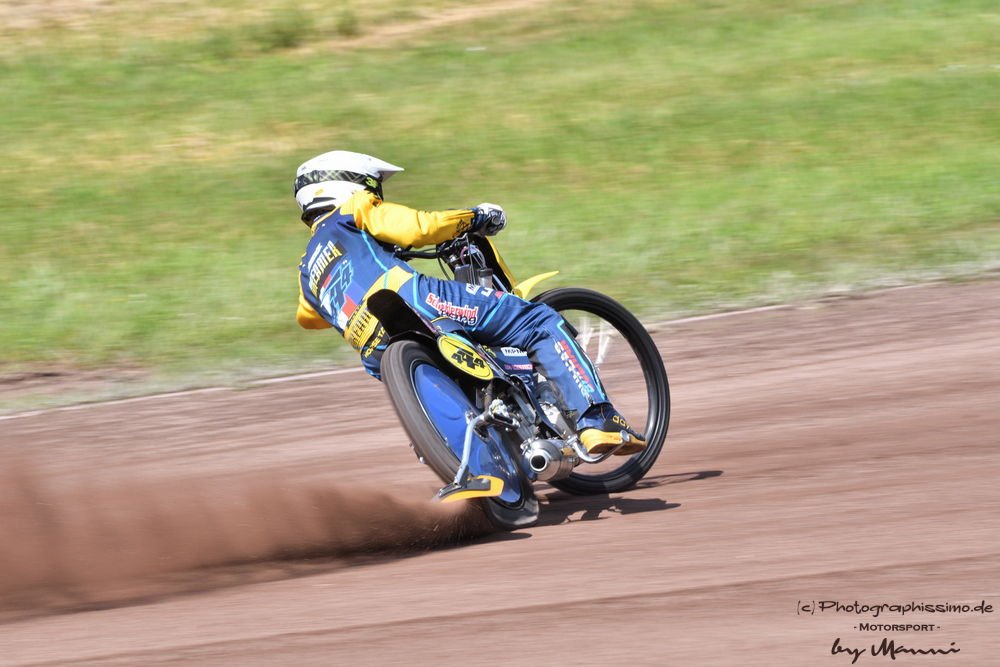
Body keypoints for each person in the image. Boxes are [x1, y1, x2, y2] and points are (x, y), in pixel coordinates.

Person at [293, 150, 645, 455]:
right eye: (374, 187)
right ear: (351, 185)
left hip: (374, 349)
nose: (378, 195)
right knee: (538, 323)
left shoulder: (307, 266)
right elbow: (420, 228)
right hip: (419, 302)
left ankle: (479, 458)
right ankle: (596, 418)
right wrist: (477, 216)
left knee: (457, 394)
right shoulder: (355, 209)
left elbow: (308, 317)